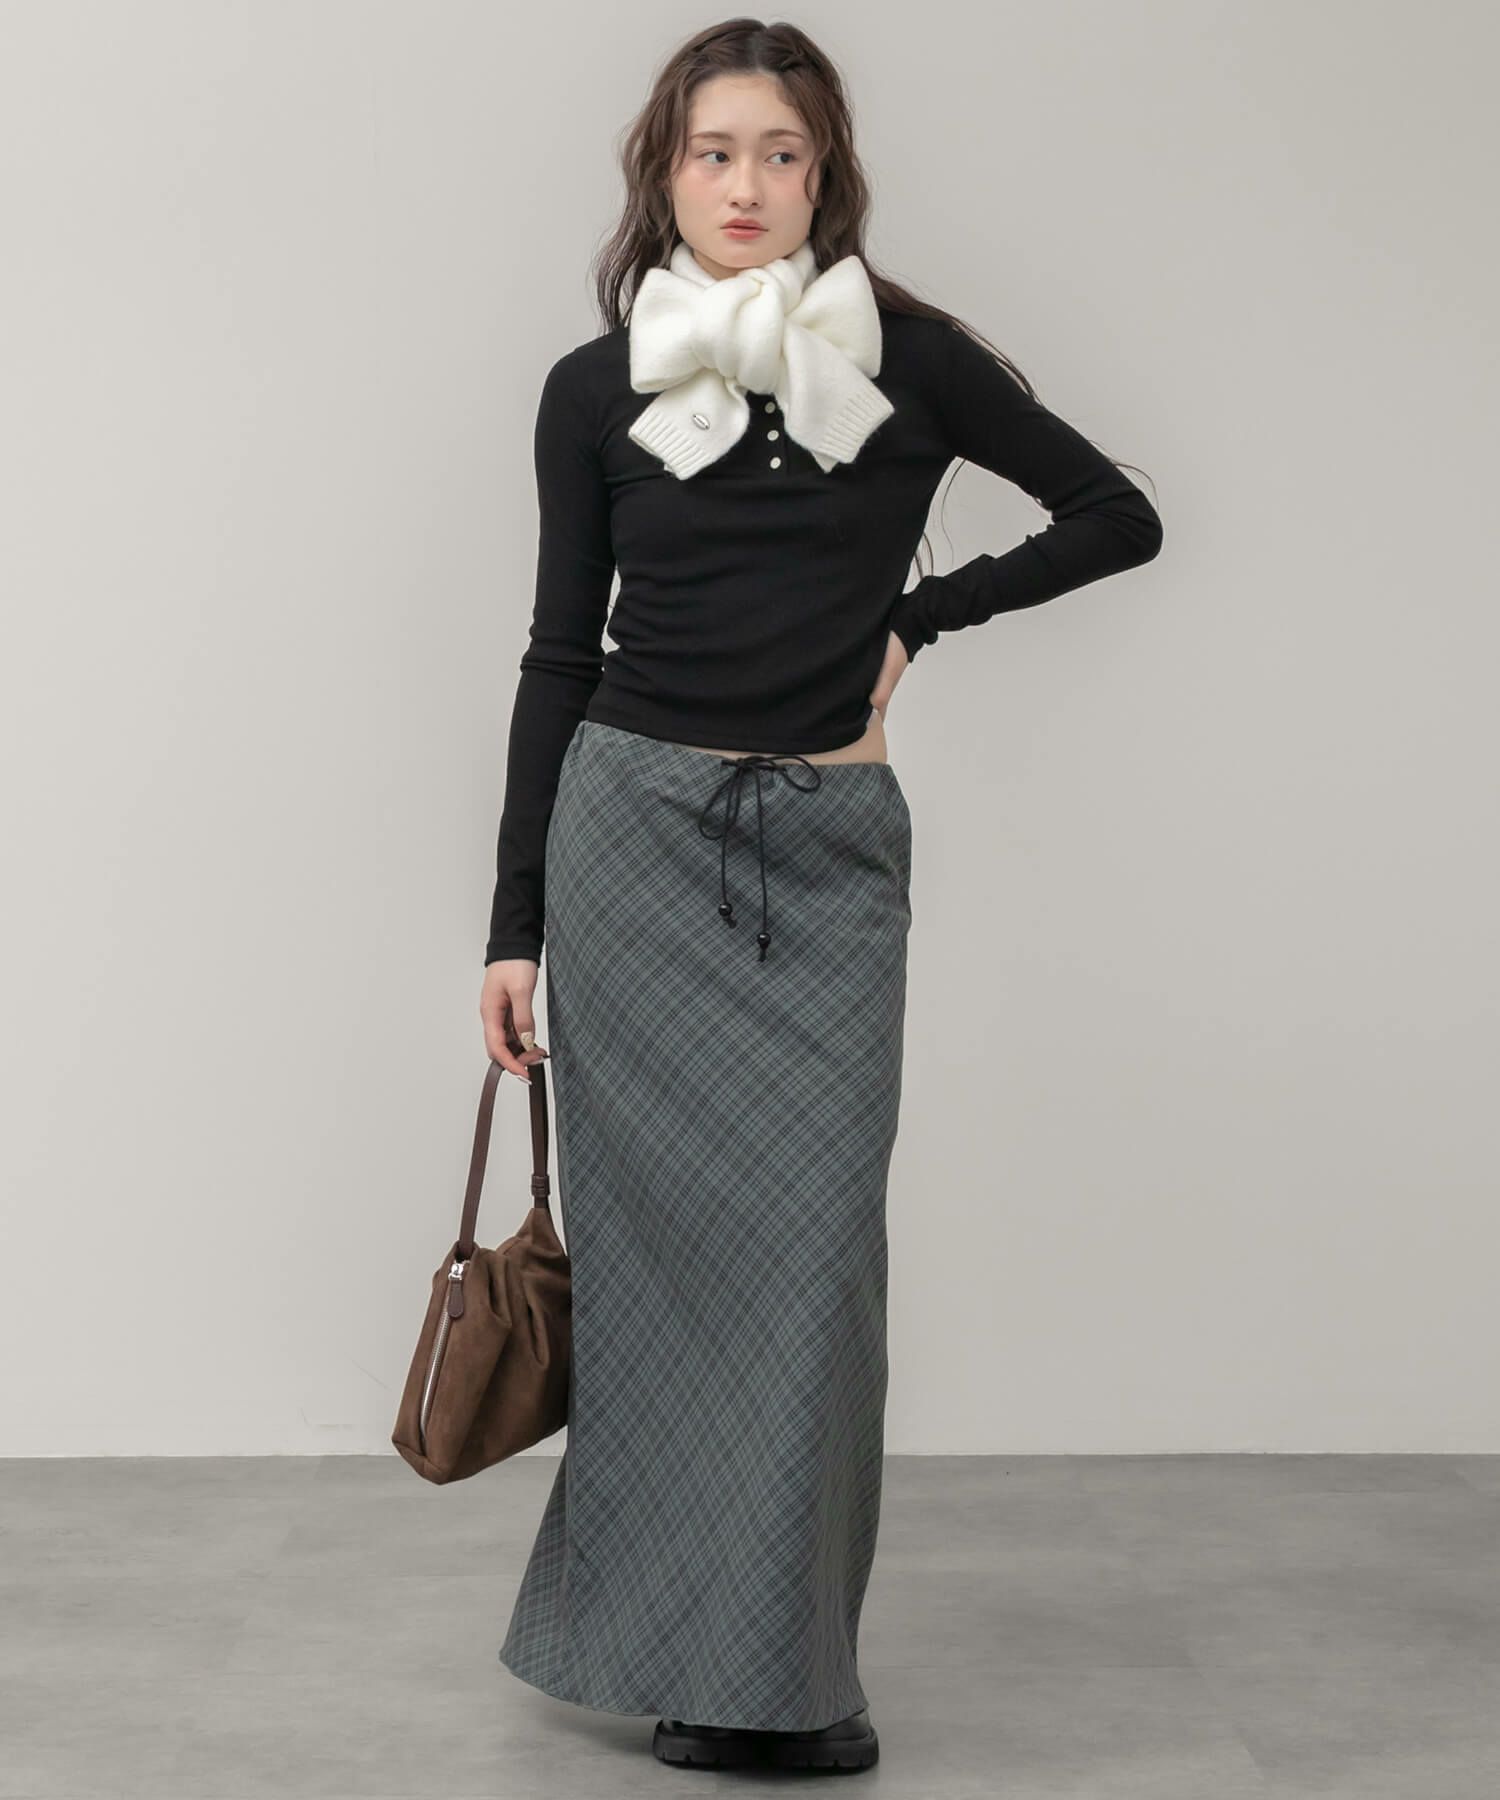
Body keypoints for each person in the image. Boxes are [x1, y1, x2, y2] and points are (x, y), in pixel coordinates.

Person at [478, 18, 1163, 1777]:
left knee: (808, 1272)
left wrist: (922, 619)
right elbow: (559, 655)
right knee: (655, 1283)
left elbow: (1116, 513)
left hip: (831, 848)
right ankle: (689, 1662)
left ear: (825, 173)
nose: (746, 185)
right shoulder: (592, 387)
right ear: (664, 172)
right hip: (632, 841)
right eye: (713, 152)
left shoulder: (912, 361)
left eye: (779, 153)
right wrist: (514, 925)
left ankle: (779, 1669)